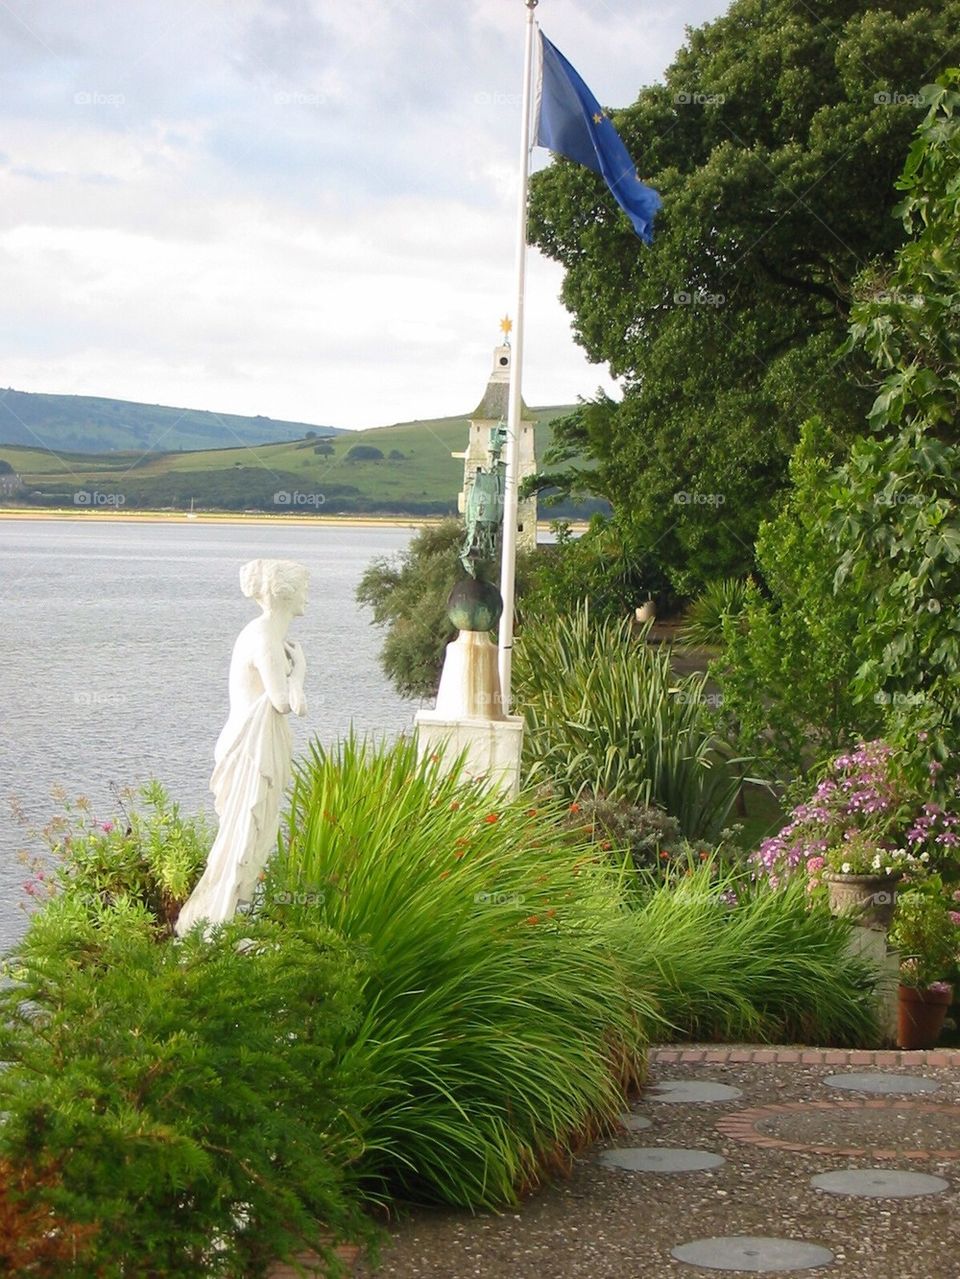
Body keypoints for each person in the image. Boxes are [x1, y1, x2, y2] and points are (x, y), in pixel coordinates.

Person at [175, 558, 308, 936]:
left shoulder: (269, 633)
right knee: (241, 841)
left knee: (251, 841)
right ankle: (213, 925)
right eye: (304, 588)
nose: (308, 597)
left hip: (255, 748)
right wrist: (299, 672)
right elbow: (285, 703)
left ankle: (225, 922)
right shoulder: (264, 635)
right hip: (248, 752)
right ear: (284, 592)